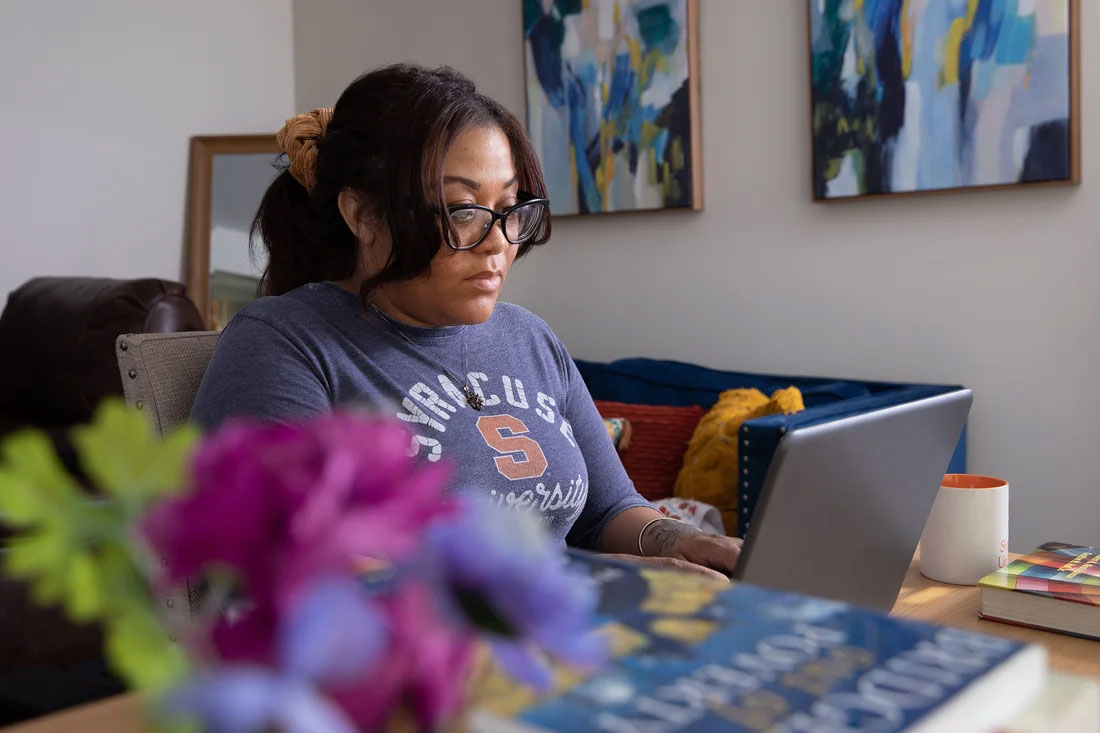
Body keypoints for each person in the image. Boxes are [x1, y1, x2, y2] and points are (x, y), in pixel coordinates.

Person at [191, 64, 741, 580]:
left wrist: (675, 542)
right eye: (463, 210)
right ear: (361, 214)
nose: (499, 243)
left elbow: (609, 511)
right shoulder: (285, 344)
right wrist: (585, 587)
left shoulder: (529, 339)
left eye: (509, 207)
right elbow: (299, 564)